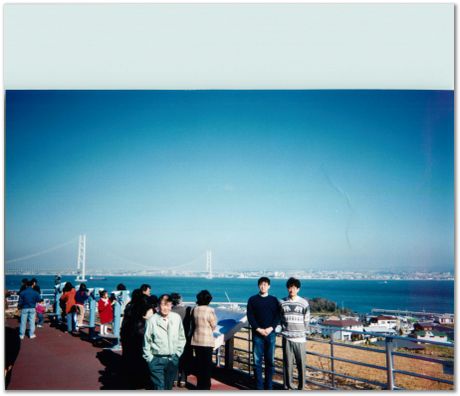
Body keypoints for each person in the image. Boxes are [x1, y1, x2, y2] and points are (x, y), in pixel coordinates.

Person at [143, 294, 186, 390]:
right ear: (158, 305)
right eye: (163, 304)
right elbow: (146, 341)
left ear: (171, 305)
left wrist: (178, 354)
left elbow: (181, 337)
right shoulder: (152, 320)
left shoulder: (176, 318)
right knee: (159, 387)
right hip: (156, 359)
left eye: (168, 304)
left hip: (172, 359)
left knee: (168, 387)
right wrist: (150, 358)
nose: (165, 307)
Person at [246, 277, 280, 390]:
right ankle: (259, 387)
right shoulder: (252, 300)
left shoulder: (274, 300)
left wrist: (271, 328)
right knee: (257, 362)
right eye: (261, 284)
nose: (263, 286)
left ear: (269, 286)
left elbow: (277, 316)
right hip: (257, 335)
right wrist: (258, 329)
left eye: (265, 284)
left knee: (270, 362)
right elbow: (250, 316)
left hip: (271, 334)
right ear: (258, 286)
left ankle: (269, 386)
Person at [280, 277, 310, 390]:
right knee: (287, 365)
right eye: (289, 287)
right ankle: (288, 387)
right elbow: (280, 318)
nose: (291, 290)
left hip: (300, 339)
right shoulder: (282, 302)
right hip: (287, 338)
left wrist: (301, 332)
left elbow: (306, 320)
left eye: (293, 287)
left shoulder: (304, 303)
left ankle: (301, 388)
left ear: (298, 289)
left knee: (301, 365)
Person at [121, 289, 151, 389]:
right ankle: (142, 380)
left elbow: (126, 321)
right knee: (141, 358)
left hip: (129, 334)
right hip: (141, 334)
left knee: (131, 357)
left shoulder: (130, 306)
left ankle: (131, 378)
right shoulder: (144, 307)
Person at [191, 290, 217, 390]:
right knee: (207, 365)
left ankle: (199, 385)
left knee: (199, 364)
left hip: (196, 339)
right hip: (206, 341)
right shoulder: (210, 310)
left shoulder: (195, 309)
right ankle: (206, 386)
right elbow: (213, 325)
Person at [171, 293, 187, 387]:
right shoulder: (186, 310)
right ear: (180, 300)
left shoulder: (170, 311)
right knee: (184, 359)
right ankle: (183, 379)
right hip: (184, 337)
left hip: (173, 338)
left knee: (174, 358)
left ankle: (175, 379)